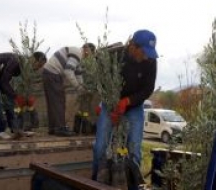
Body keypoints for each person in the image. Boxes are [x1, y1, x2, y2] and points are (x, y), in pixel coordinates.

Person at [92, 29, 158, 190]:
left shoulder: (150, 61)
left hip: (134, 106)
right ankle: (93, 183)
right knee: (100, 146)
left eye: (149, 53)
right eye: (143, 52)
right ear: (132, 46)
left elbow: (148, 89)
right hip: (110, 104)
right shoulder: (113, 56)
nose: (146, 56)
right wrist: (110, 104)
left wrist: (127, 102)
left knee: (135, 149)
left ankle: (133, 185)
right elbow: (97, 79)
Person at [0, 51, 47, 140]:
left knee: (9, 99)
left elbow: (5, 81)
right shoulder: (16, 61)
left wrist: (15, 96)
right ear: (32, 59)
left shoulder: (23, 66)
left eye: (40, 67)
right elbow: (4, 82)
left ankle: (16, 129)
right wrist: (16, 96)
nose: (38, 68)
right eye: (39, 65)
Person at [43, 46, 92, 136]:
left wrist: (82, 88)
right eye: (90, 54)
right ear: (86, 50)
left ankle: (53, 128)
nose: (89, 57)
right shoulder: (77, 53)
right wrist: (78, 87)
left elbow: (78, 75)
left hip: (49, 73)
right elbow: (68, 71)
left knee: (53, 102)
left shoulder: (78, 59)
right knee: (59, 101)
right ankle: (60, 128)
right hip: (53, 73)